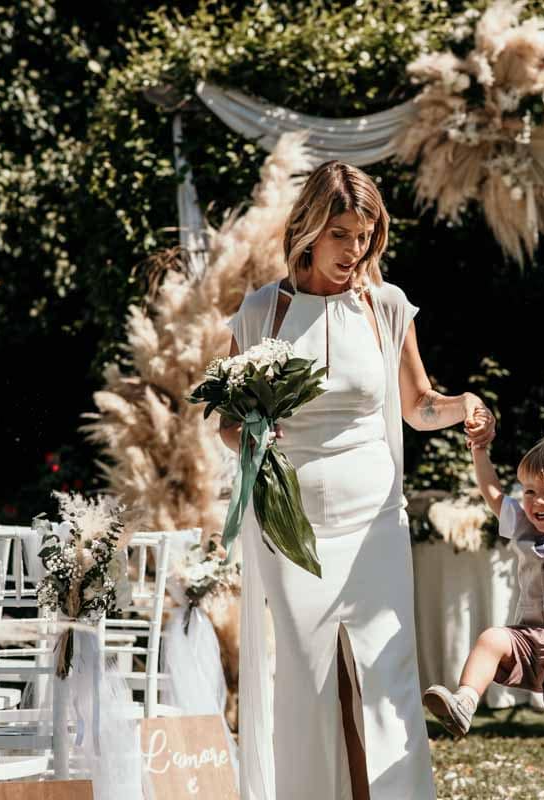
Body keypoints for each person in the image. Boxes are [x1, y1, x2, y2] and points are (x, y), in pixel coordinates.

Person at [221, 161, 494, 800]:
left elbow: (417, 403)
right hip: (292, 526)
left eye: (365, 235)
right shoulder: (263, 310)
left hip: (373, 520)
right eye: (342, 233)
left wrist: (463, 407)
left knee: (387, 670)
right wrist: (256, 434)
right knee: (309, 676)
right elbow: (229, 426)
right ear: (310, 228)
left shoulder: (385, 305)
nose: (355, 250)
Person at [422, 379, 544, 779]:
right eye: (529, 491)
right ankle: (464, 703)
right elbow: (492, 493)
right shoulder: (523, 523)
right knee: (492, 637)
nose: (537, 502)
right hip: (530, 639)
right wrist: (479, 449)